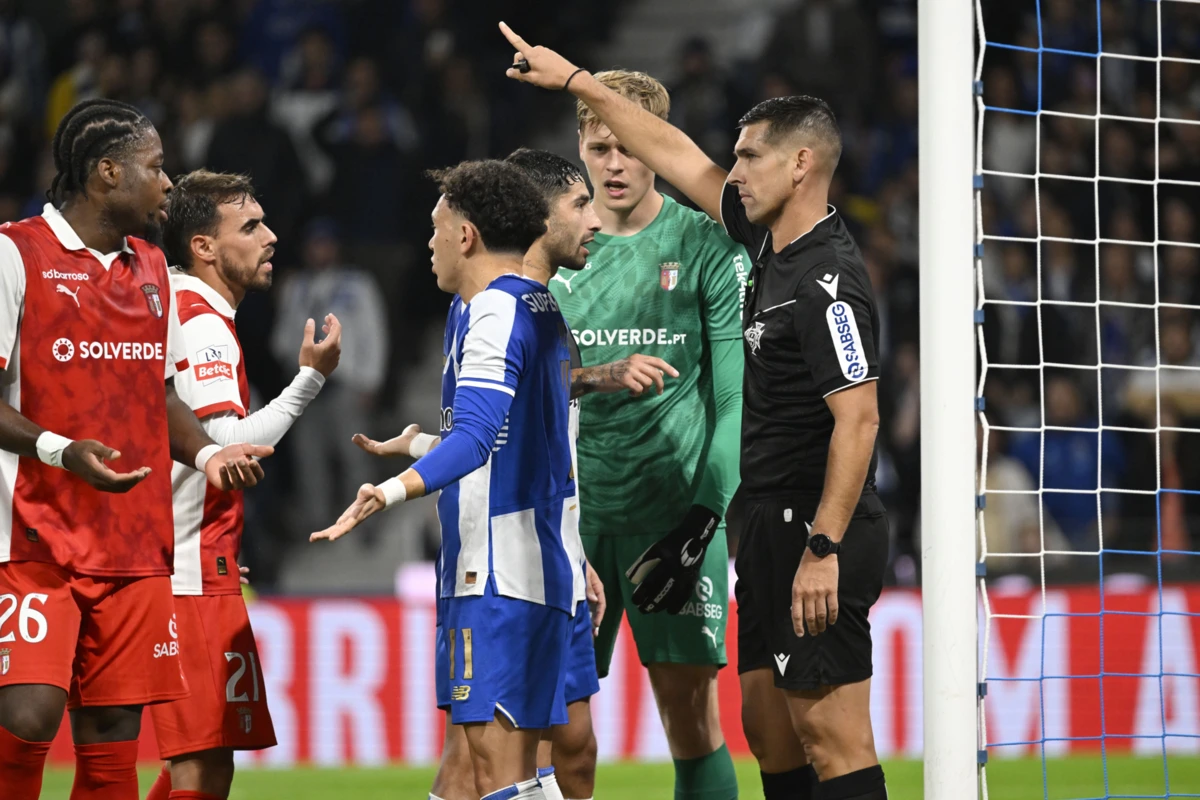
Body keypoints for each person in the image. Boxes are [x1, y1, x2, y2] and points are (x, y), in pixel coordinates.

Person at [502, 26, 890, 800]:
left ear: (801, 164)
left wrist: (817, 541)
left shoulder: (822, 277)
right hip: (751, 524)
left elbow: (861, 419)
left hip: (791, 525)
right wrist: (577, 78)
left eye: (749, 158)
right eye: (737, 157)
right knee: (769, 728)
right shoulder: (764, 239)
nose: (731, 171)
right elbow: (680, 153)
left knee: (824, 735)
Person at [354, 148, 678, 800]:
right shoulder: (496, 308)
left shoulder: (524, 308)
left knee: (537, 756)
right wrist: (420, 447)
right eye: (579, 203)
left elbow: (514, 436)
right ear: (534, 212)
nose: (594, 218)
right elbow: (494, 435)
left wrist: (570, 545)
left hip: (524, 558)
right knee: (483, 762)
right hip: (502, 558)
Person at [0, 98, 271, 800]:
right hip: (35, 539)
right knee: (28, 718)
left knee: (112, 739)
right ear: (106, 173)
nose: (168, 184)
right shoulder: (15, 252)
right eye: (155, 168)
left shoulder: (153, 267)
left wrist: (208, 457)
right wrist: (61, 450)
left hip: (133, 547)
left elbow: (165, 397)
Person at [518, 61, 752, 800]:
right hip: (573, 522)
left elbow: (733, 400)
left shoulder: (708, 245)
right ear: (579, 149)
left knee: (690, 718)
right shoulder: (550, 256)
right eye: (598, 148)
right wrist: (598, 375)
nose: (615, 165)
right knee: (559, 732)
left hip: (673, 517)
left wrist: (704, 517)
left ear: (655, 146)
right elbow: (513, 389)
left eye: (629, 146)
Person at [311, 158, 572, 800]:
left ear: (466, 236)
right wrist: (421, 442)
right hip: (518, 562)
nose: (428, 242)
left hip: (503, 572)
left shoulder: (494, 312)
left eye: (436, 226)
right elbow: (517, 436)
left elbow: (478, 439)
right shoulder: (531, 303)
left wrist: (389, 489)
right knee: (469, 769)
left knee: (498, 774)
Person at [143, 170, 343, 800]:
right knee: (205, 767)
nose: (272, 237)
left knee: (189, 761)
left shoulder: (169, 300)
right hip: (186, 569)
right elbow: (225, 448)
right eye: (251, 227)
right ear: (203, 246)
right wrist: (309, 379)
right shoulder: (202, 323)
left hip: (183, 552)